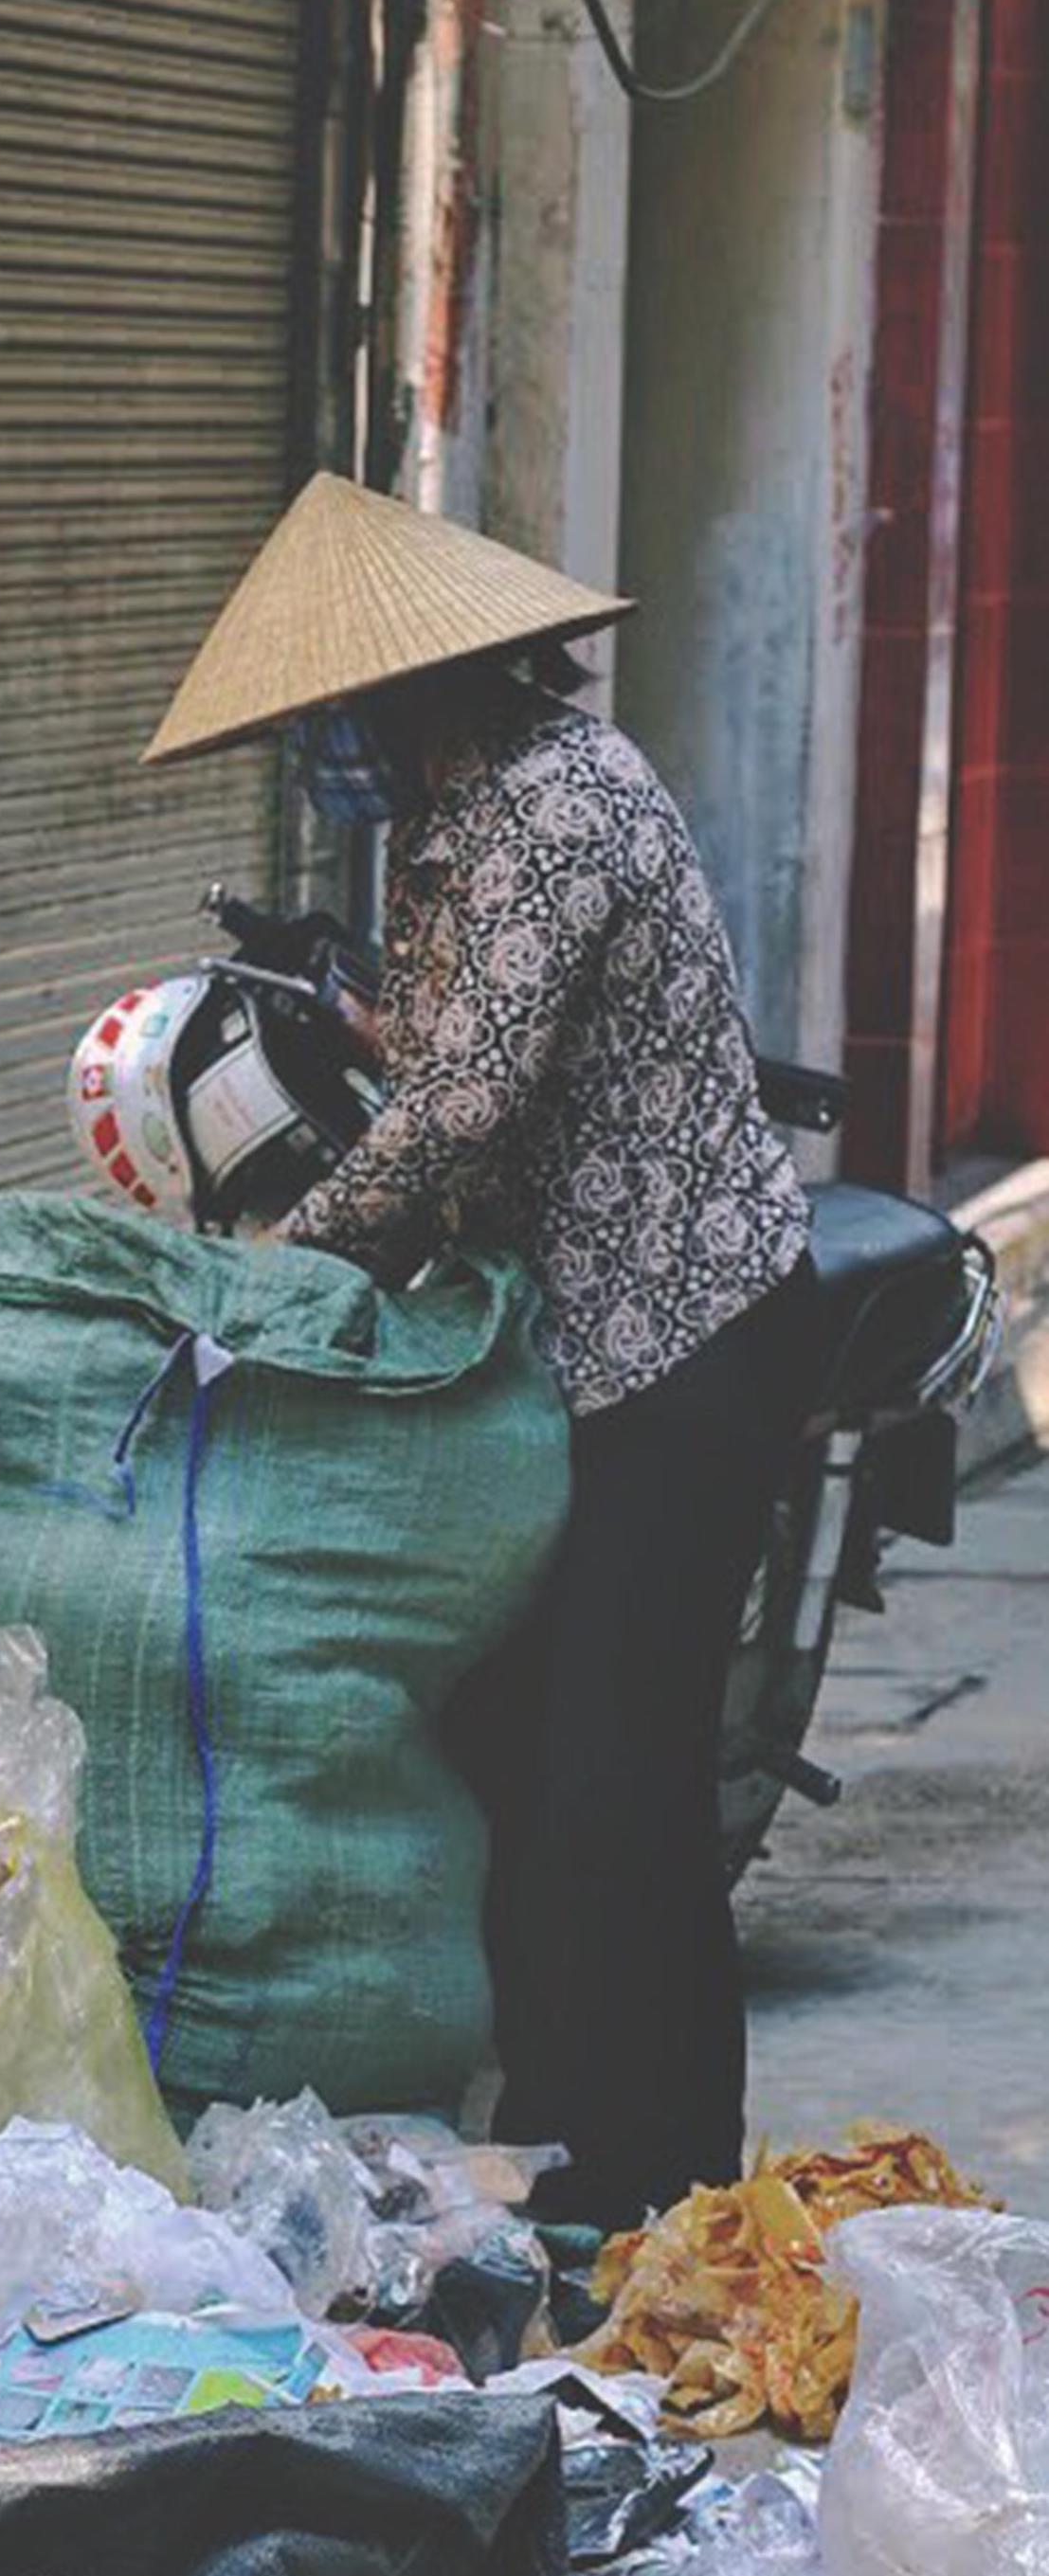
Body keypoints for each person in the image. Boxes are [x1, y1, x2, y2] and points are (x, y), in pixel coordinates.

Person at [144, 473, 815, 2233]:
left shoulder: (554, 809)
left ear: (413, 692)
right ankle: (574, 2145)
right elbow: (443, 1045)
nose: (321, 753)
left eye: (331, 719)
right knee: (521, 1748)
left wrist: (284, 1271)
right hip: (579, 1349)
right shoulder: (453, 821)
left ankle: (669, 2192)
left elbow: (456, 1111)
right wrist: (347, 1003)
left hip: (687, 1345)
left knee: (622, 1779)